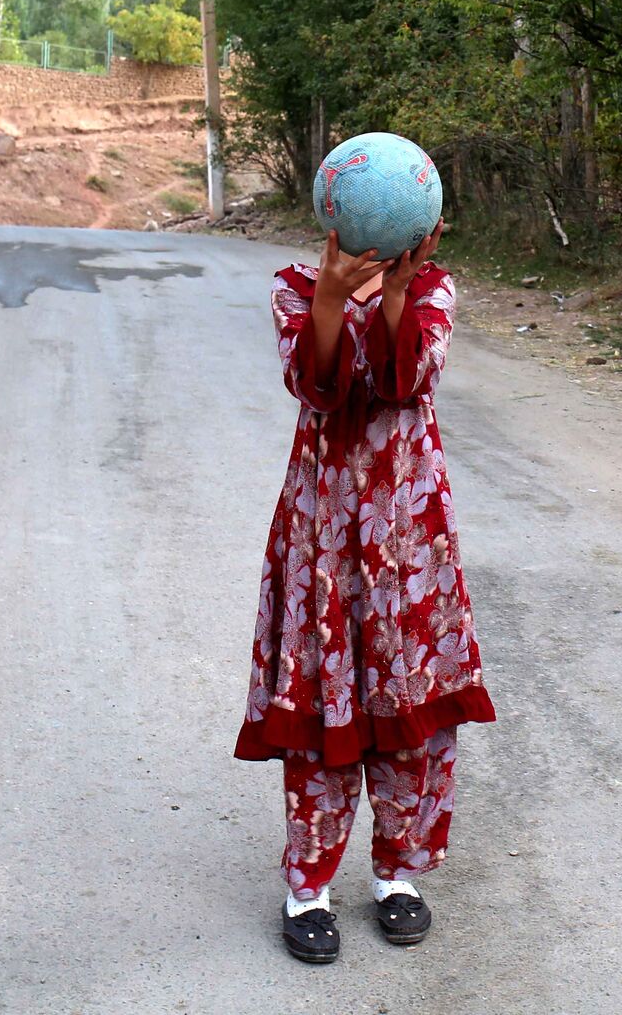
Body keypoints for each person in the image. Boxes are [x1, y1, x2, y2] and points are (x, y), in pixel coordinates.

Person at [234, 221, 495, 964]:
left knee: (409, 699)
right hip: (322, 532)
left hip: (408, 535)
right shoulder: (295, 286)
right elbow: (315, 386)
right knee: (322, 702)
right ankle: (308, 890)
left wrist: (398, 294)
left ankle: (396, 877)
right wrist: (329, 297)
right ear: (334, 214)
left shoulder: (434, 289)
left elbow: (405, 382)